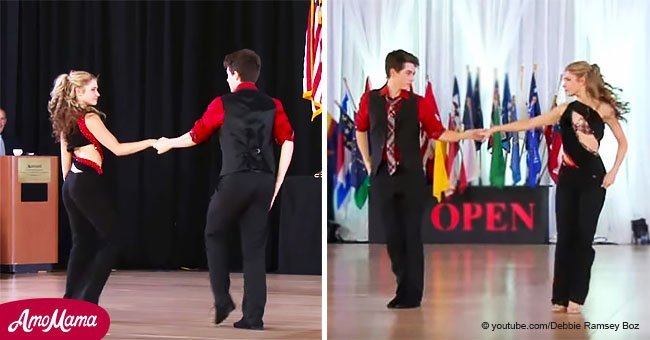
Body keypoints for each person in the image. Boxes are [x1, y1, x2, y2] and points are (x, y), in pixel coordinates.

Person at [153, 49, 294, 330]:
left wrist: (168, 142)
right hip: (263, 180)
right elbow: (288, 140)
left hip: (235, 179)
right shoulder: (273, 104)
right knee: (254, 250)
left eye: (227, 74)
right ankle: (253, 318)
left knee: (214, 232)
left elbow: (196, 135)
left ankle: (222, 298)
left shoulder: (223, 103)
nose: (226, 79)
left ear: (234, 73)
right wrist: (277, 182)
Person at [486, 61, 628, 314]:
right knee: (565, 238)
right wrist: (497, 128)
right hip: (567, 179)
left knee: (584, 238)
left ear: (582, 80)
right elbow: (529, 123)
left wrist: (614, 172)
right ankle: (559, 297)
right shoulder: (564, 110)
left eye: (568, 80)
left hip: (594, 179)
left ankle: (577, 296)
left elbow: (622, 143)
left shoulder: (604, 109)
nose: (564, 84)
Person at [355, 49, 485, 309]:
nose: (412, 77)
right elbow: (361, 129)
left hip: (410, 177)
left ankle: (412, 294)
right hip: (382, 176)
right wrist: (369, 160)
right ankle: (402, 287)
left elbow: (438, 132)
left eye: (413, 73)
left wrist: (467, 135)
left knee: (411, 235)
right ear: (393, 72)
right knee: (392, 236)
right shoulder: (370, 99)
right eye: (408, 72)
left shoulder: (419, 102)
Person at [48, 71, 156, 304]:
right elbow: (117, 149)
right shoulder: (89, 118)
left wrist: (68, 186)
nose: (98, 93)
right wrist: (150, 142)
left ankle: (71, 300)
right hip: (85, 181)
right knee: (113, 238)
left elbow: (65, 155)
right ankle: (88, 300)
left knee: (82, 241)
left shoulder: (66, 115)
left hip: (72, 183)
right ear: (78, 91)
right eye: (93, 89)